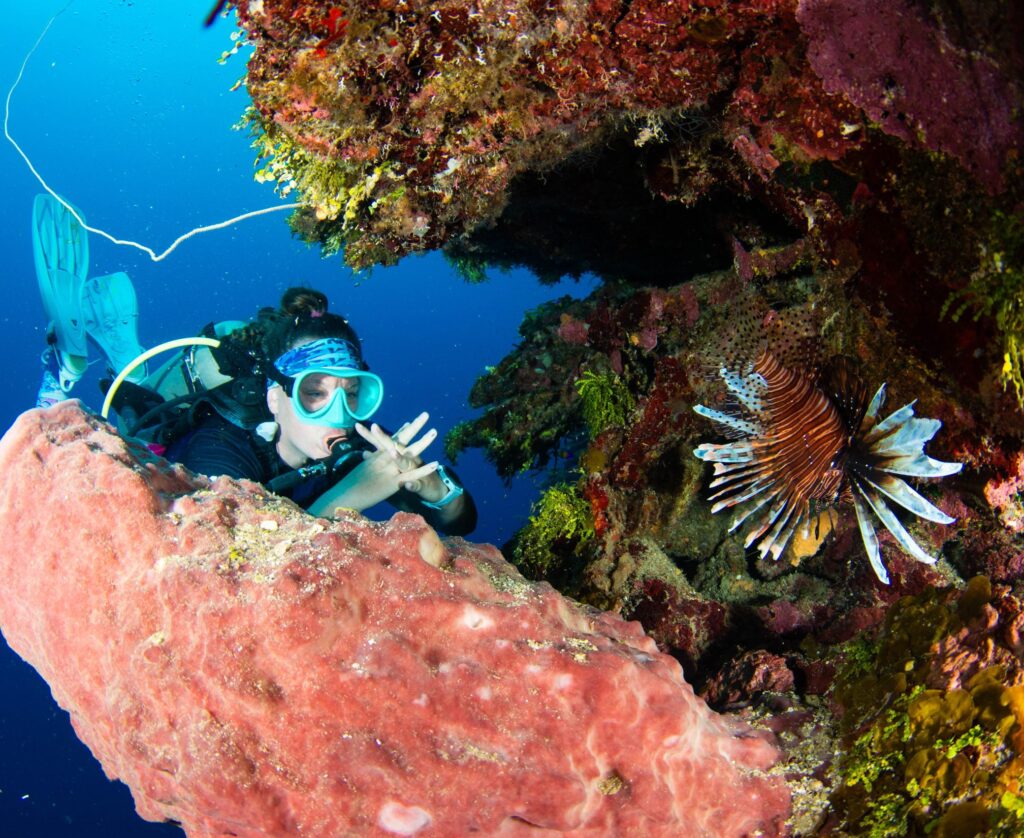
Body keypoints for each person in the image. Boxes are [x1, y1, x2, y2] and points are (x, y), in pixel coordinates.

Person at [32, 195, 476, 536]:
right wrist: (353, 493)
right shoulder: (218, 450)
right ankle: (62, 381)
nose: (339, 413)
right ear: (275, 396)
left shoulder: (358, 445)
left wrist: (435, 492)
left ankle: (123, 350)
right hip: (157, 457)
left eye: (353, 392)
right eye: (314, 392)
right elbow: (236, 562)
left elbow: (461, 522)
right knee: (132, 415)